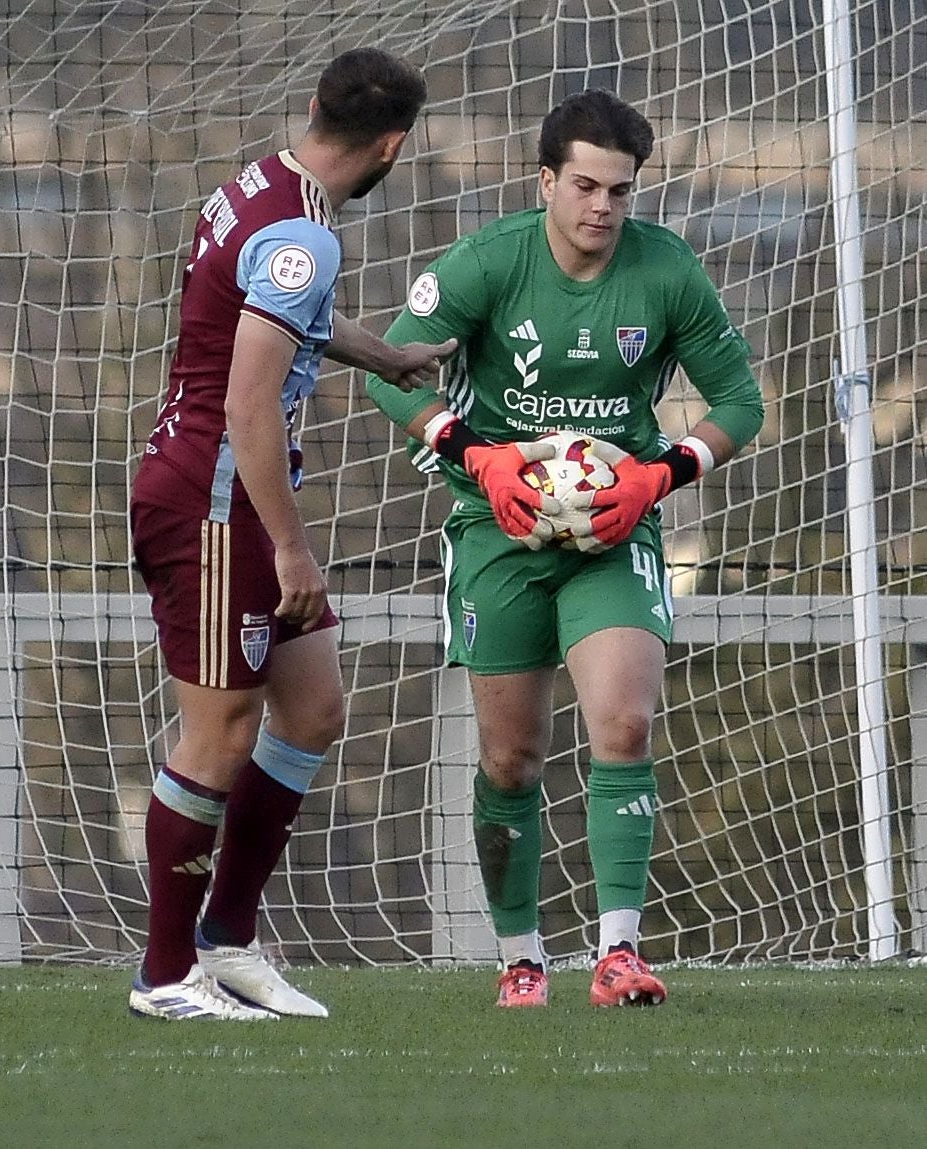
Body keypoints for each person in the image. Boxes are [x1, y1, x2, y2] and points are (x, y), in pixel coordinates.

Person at [366, 89, 764, 1008]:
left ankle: (618, 953)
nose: (602, 208)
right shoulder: (487, 263)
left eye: (620, 191)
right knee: (510, 759)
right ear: (545, 179)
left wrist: (656, 476)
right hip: (493, 532)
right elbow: (392, 371)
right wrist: (477, 455)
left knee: (623, 724)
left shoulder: (665, 270)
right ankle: (521, 958)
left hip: (611, 533)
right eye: (584, 185)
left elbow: (739, 400)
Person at [129, 48, 455, 1020]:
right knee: (220, 734)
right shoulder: (306, 238)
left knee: (311, 712)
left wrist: (385, 354)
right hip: (217, 502)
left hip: (225, 492)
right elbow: (250, 405)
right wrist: (293, 546)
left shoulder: (260, 190)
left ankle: (227, 942)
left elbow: (277, 310)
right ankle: (164, 974)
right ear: (393, 145)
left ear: (314, 107)